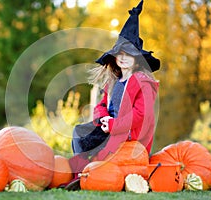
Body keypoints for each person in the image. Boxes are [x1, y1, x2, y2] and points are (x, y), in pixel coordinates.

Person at [65, 0, 160, 190]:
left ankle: (93, 174)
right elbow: (101, 105)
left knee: (105, 152)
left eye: (129, 54)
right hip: (110, 127)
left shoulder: (143, 83)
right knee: (80, 133)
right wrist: (104, 119)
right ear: (115, 57)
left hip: (129, 136)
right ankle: (81, 175)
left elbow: (141, 116)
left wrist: (115, 125)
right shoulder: (114, 82)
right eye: (120, 53)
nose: (124, 58)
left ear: (137, 58)